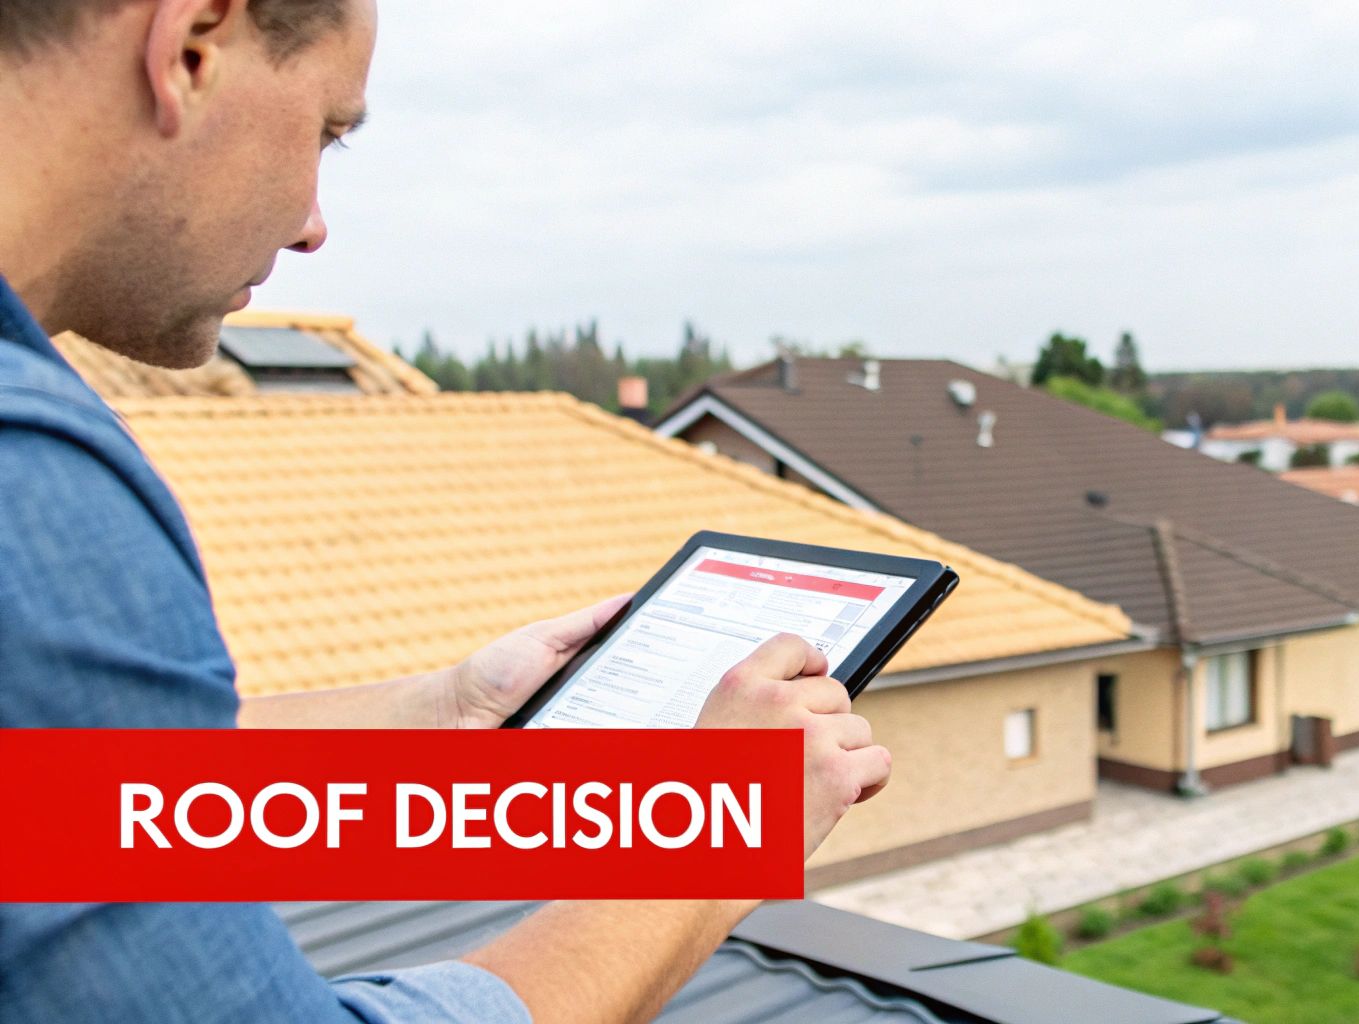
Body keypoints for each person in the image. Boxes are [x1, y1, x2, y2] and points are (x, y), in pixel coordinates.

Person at [0, 2, 892, 1021]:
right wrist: (724, 827)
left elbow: (68, 795)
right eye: (326, 132)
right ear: (191, 46)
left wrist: (451, 713)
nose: (312, 224)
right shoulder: (31, 475)